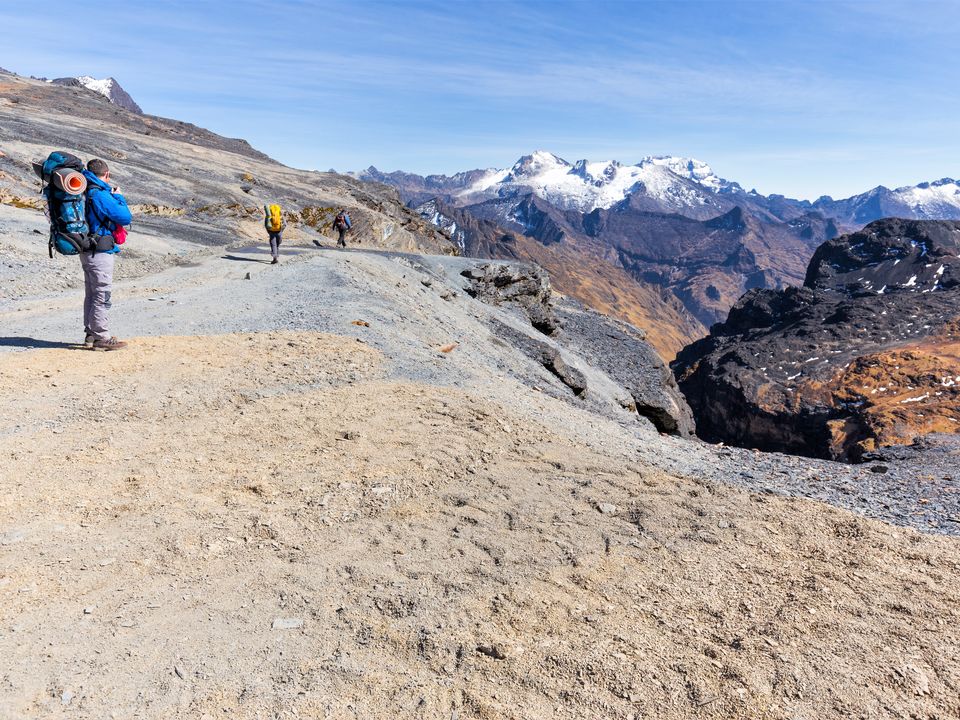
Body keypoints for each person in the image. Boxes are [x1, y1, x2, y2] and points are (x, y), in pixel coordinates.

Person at [81, 159, 132, 351]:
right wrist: (119, 197)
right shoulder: (99, 194)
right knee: (102, 293)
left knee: (92, 293)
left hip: (86, 248)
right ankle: (101, 337)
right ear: (107, 174)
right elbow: (125, 217)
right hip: (100, 250)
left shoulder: (83, 191)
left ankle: (91, 334)